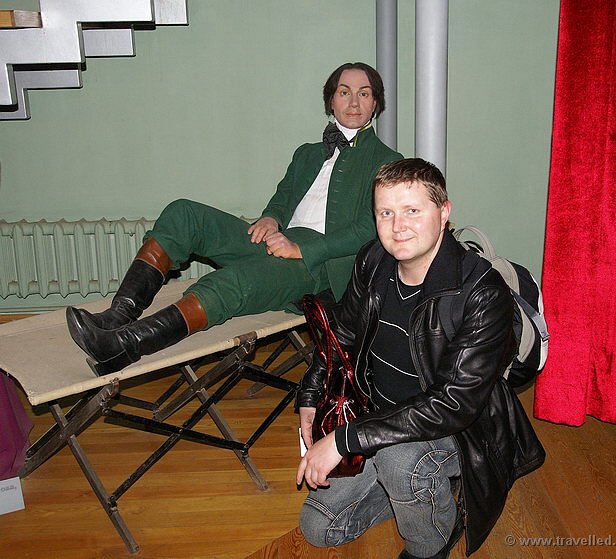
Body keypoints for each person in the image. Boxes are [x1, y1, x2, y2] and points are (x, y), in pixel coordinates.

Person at [65, 62, 402, 376]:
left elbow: (370, 228)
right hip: (276, 241)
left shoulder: (387, 161)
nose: (353, 101)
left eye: (364, 93)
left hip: (318, 266)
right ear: (331, 101)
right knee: (184, 214)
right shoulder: (307, 153)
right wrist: (271, 218)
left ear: (376, 103)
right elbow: (284, 196)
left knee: (229, 282)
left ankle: (122, 346)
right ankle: (118, 315)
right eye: (344, 91)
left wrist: (302, 250)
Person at [296, 158, 545, 559]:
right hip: (380, 416)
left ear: (444, 212)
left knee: (400, 461)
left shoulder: (481, 292)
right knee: (319, 527)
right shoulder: (372, 260)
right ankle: (421, 489)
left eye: (412, 210)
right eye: (386, 213)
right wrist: (311, 394)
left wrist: (345, 440)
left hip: (459, 428)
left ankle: (432, 541)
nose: (398, 226)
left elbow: (453, 404)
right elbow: (342, 334)